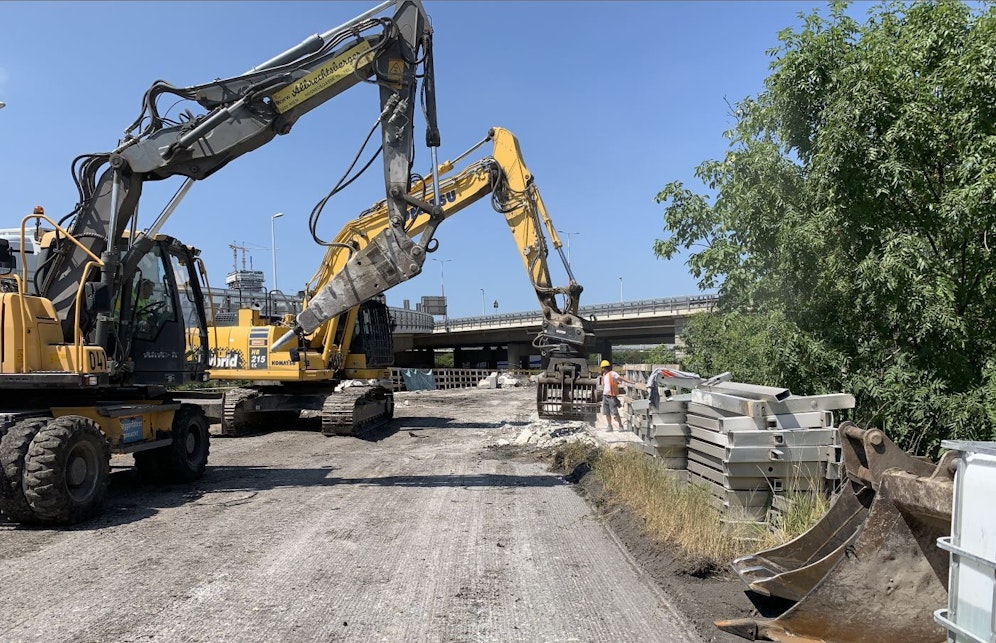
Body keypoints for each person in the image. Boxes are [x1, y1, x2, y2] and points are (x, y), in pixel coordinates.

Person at [599, 360, 633, 431]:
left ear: (604, 368)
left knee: (615, 412)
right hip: (605, 396)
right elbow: (603, 385)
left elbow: (621, 378)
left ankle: (620, 426)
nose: (601, 369)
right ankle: (609, 426)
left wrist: (630, 382)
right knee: (606, 412)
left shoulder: (612, 373)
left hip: (611, 397)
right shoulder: (604, 376)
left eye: (602, 368)